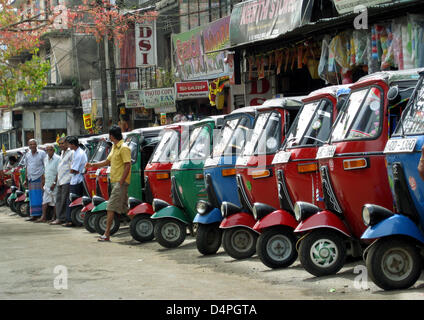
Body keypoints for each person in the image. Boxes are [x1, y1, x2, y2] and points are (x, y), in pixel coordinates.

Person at [86, 125, 131, 241]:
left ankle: (106, 234)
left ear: (112, 135)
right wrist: (92, 165)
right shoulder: (114, 147)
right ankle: (141, 224)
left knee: (110, 207)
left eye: (109, 135)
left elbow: (128, 165)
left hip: (120, 183)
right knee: (125, 209)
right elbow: (106, 161)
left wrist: (121, 181)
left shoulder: (124, 148)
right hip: (114, 181)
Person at [63, 136, 87, 227]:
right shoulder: (76, 152)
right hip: (75, 179)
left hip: (77, 180)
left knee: (72, 200)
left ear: (72, 144)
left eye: (69, 144)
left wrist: (69, 170)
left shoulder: (79, 154)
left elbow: (73, 169)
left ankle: (70, 220)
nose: (68, 146)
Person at [50, 137, 73, 225]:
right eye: (60, 144)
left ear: (67, 143)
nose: (61, 145)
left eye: (63, 143)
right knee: (59, 200)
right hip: (60, 180)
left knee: (64, 200)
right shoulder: (62, 153)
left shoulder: (71, 153)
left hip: (67, 180)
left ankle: (62, 218)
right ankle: (59, 218)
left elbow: (71, 167)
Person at [24, 139, 47, 221]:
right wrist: (25, 179)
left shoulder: (42, 153)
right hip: (30, 178)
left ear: (36, 145)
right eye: (31, 144)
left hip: (39, 178)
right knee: (32, 197)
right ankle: (33, 215)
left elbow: (46, 166)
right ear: (29, 145)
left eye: (34, 144)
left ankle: (41, 215)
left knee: (40, 197)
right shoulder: (27, 154)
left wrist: (44, 178)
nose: (32, 146)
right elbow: (27, 166)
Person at [36, 144, 60, 223]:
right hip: (47, 183)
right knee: (45, 201)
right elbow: (45, 171)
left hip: (54, 183)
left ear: (53, 150)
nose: (48, 151)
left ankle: (54, 217)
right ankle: (43, 217)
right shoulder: (45, 159)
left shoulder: (58, 159)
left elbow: (58, 173)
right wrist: (43, 181)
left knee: (55, 201)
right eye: (47, 150)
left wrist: (54, 183)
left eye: (50, 150)